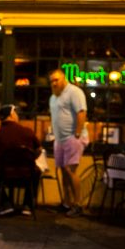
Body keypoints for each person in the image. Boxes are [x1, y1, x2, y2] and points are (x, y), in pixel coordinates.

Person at [48, 68, 88, 217]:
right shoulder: (54, 96)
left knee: (71, 171)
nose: (54, 83)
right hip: (59, 139)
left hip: (72, 138)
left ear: (64, 78)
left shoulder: (74, 92)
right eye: (52, 81)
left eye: (56, 80)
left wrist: (77, 134)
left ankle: (78, 204)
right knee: (63, 172)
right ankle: (66, 203)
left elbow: (81, 112)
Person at [0, 104, 42, 217]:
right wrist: (31, 159)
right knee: (36, 171)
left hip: (4, 174)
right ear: (12, 114)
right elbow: (39, 149)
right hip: (27, 174)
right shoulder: (27, 131)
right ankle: (27, 205)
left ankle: (5, 203)